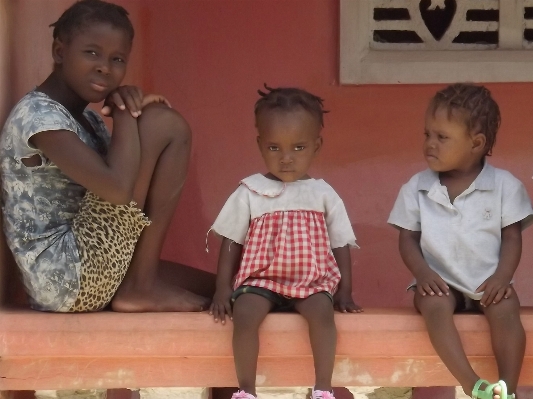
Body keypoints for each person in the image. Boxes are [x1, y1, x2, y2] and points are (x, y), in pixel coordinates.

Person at [0, 0, 211, 313]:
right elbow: (117, 189)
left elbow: (127, 176)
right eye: (92, 52)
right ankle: (140, 287)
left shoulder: (89, 119)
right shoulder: (38, 117)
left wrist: (125, 110)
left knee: (226, 286)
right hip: (66, 278)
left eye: (117, 59)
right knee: (161, 124)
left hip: (95, 258)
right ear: (60, 52)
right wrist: (126, 112)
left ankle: (142, 280)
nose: (105, 67)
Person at [208, 86, 362, 399]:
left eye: (299, 147)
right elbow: (231, 242)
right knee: (246, 314)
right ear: (260, 145)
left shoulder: (322, 194)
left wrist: (345, 290)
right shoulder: (250, 190)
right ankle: (246, 390)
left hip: (310, 281)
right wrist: (223, 288)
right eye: (275, 148)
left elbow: (340, 244)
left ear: (317, 146)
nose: (287, 158)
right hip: (261, 280)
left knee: (322, 313)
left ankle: (322, 388)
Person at [388, 83, 533, 399]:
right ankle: (471, 383)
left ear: (476, 143)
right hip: (439, 283)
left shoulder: (505, 186)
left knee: (507, 307)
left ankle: (506, 386)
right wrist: (424, 274)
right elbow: (407, 239)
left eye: (442, 137)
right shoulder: (417, 187)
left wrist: (502, 278)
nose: (430, 144)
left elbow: (511, 238)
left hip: (487, 281)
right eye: (427, 134)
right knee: (435, 306)